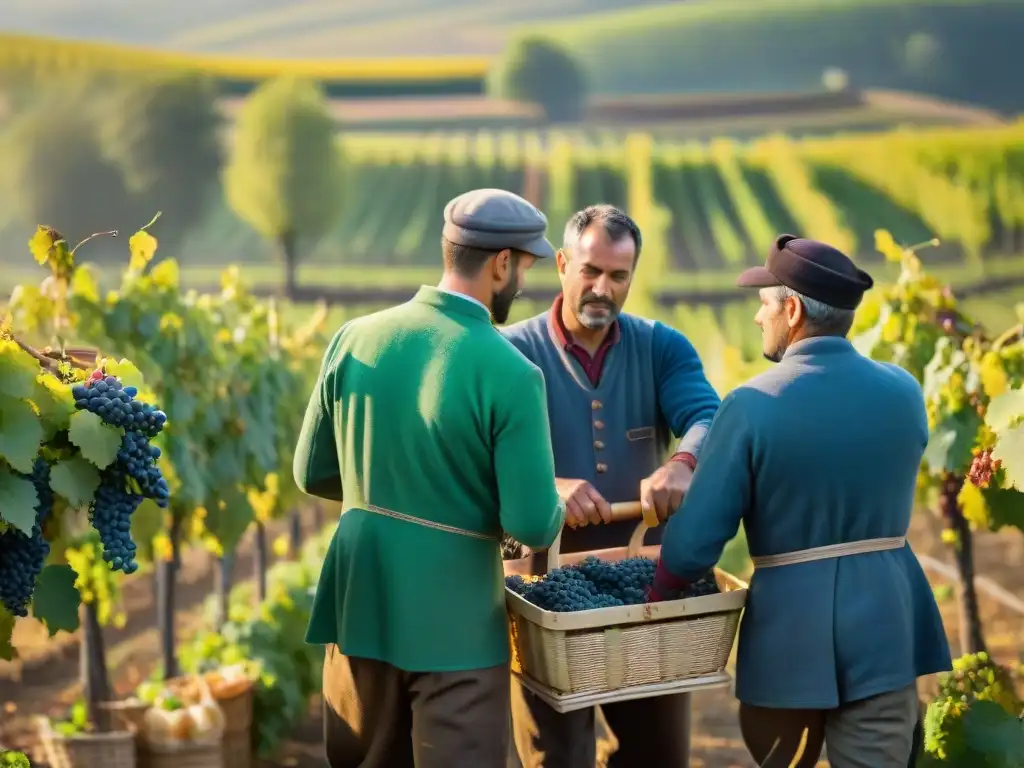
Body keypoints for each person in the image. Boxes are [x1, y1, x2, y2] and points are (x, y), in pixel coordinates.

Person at [647, 234, 952, 768]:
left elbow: (695, 542)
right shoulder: (904, 391)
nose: (758, 318)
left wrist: (660, 590)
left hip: (788, 641)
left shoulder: (751, 405)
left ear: (791, 310)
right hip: (887, 628)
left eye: (764, 305)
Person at [293, 188, 567, 768]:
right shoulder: (512, 372)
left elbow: (311, 471)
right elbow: (531, 522)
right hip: (455, 623)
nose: (523, 281)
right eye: (524, 266)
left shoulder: (354, 337)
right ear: (500, 264)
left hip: (357, 600)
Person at [502, 204, 721, 767]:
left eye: (619, 276)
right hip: (542, 594)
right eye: (590, 271)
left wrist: (684, 462)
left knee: (660, 754)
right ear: (561, 264)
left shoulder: (661, 347)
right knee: (556, 758)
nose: (603, 288)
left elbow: (707, 416)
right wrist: (544, 485)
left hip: (644, 588)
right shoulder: (511, 352)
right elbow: (477, 453)